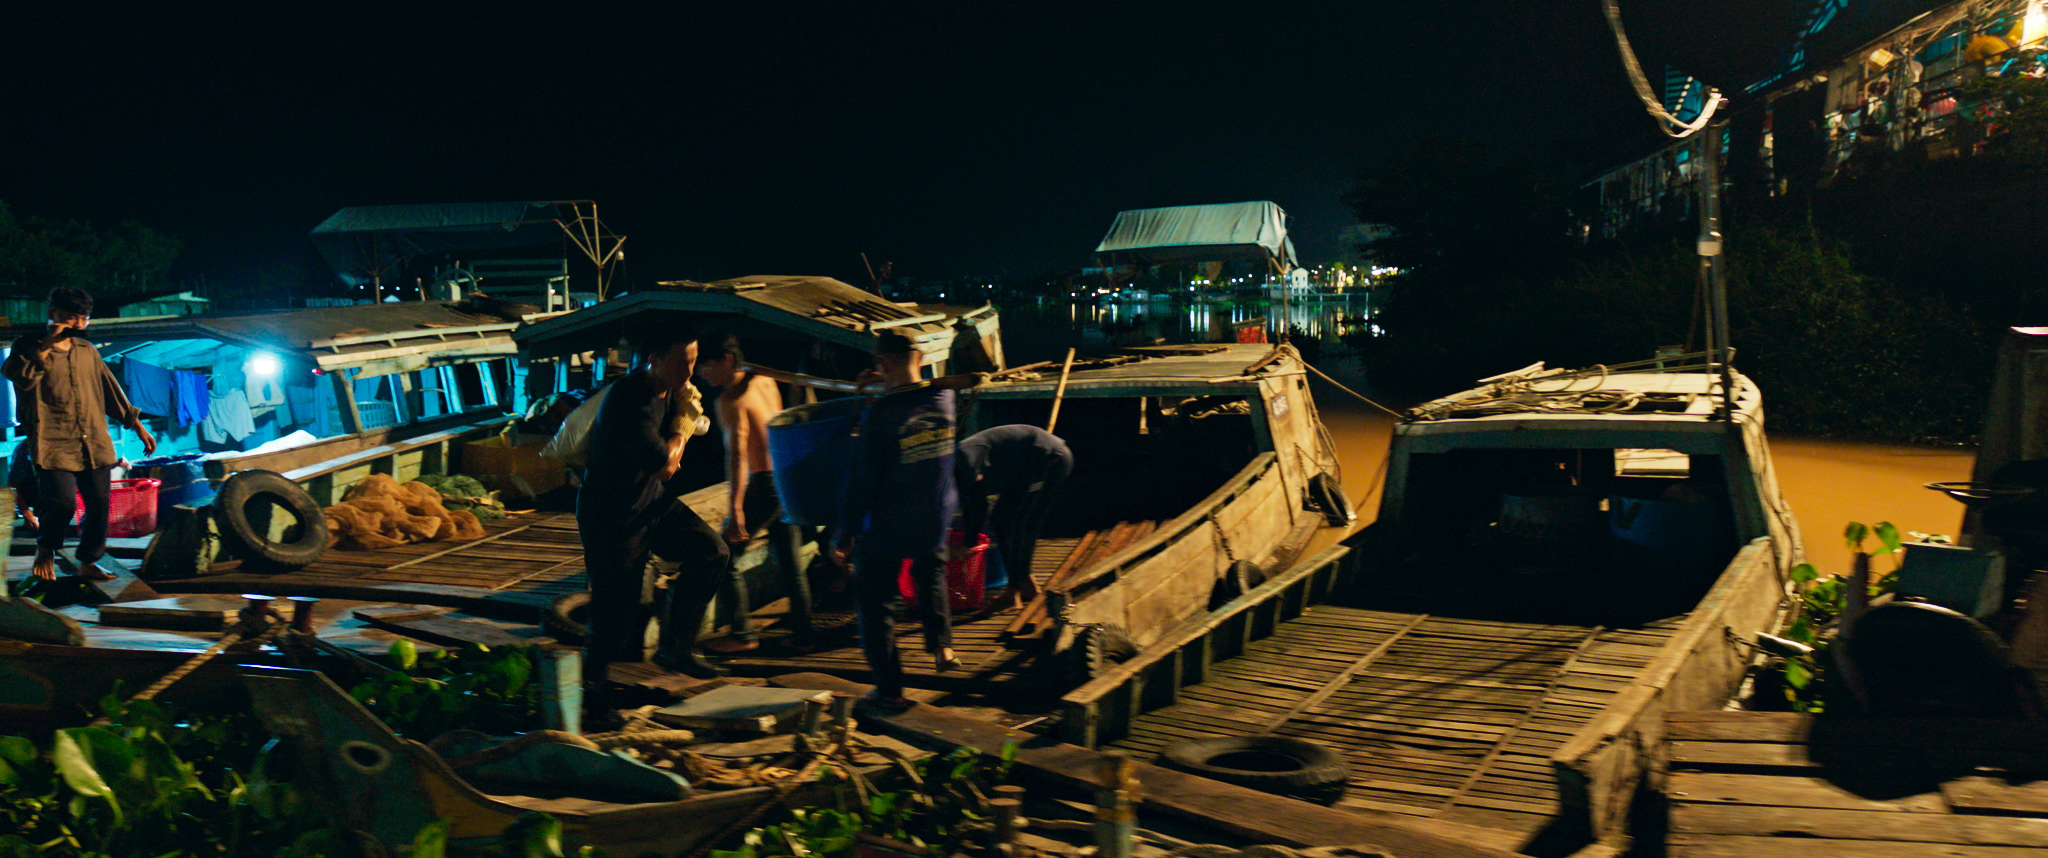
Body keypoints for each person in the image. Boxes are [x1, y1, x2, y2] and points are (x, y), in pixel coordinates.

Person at [575, 325, 729, 680]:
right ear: (654, 360)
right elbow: (665, 467)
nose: (689, 373)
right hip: (612, 516)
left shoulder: (671, 388)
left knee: (712, 552)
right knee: (614, 614)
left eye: (693, 362)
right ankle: (592, 700)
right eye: (680, 363)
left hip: (649, 504)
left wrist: (685, 413)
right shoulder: (632, 400)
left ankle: (676, 650)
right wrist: (684, 424)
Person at [836, 332, 961, 711]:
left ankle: (889, 688)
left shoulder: (882, 415)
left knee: (875, 602)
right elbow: (908, 407)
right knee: (930, 571)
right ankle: (943, 647)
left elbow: (863, 481)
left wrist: (845, 532)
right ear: (920, 358)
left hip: (895, 522)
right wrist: (885, 386)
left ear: (883, 364)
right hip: (937, 513)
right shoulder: (946, 398)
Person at [3, 288, 156, 582]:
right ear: (53, 315)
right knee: (62, 503)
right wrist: (47, 343)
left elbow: (110, 390)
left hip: (94, 441)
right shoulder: (27, 346)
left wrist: (137, 426)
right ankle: (46, 548)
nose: (78, 324)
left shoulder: (87, 351)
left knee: (99, 503)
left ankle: (88, 561)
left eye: (83, 318)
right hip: (53, 443)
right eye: (71, 317)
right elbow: (20, 377)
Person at [693, 330, 814, 650]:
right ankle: (805, 632)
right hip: (784, 479)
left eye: (706, 365)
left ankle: (743, 631)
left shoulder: (729, 400)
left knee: (723, 555)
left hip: (763, 485)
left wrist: (735, 510)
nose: (701, 373)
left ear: (727, 360)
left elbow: (737, 456)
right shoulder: (765, 380)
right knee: (789, 560)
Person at [955, 425, 1073, 611]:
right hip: (1024, 472)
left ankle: (1013, 593)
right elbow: (975, 505)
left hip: (1050, 459)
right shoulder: (959, 469)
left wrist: (968, 544)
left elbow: (977, 506)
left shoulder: (963, 457)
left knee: (1023, 525)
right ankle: (1027, 584)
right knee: (1000, 520)